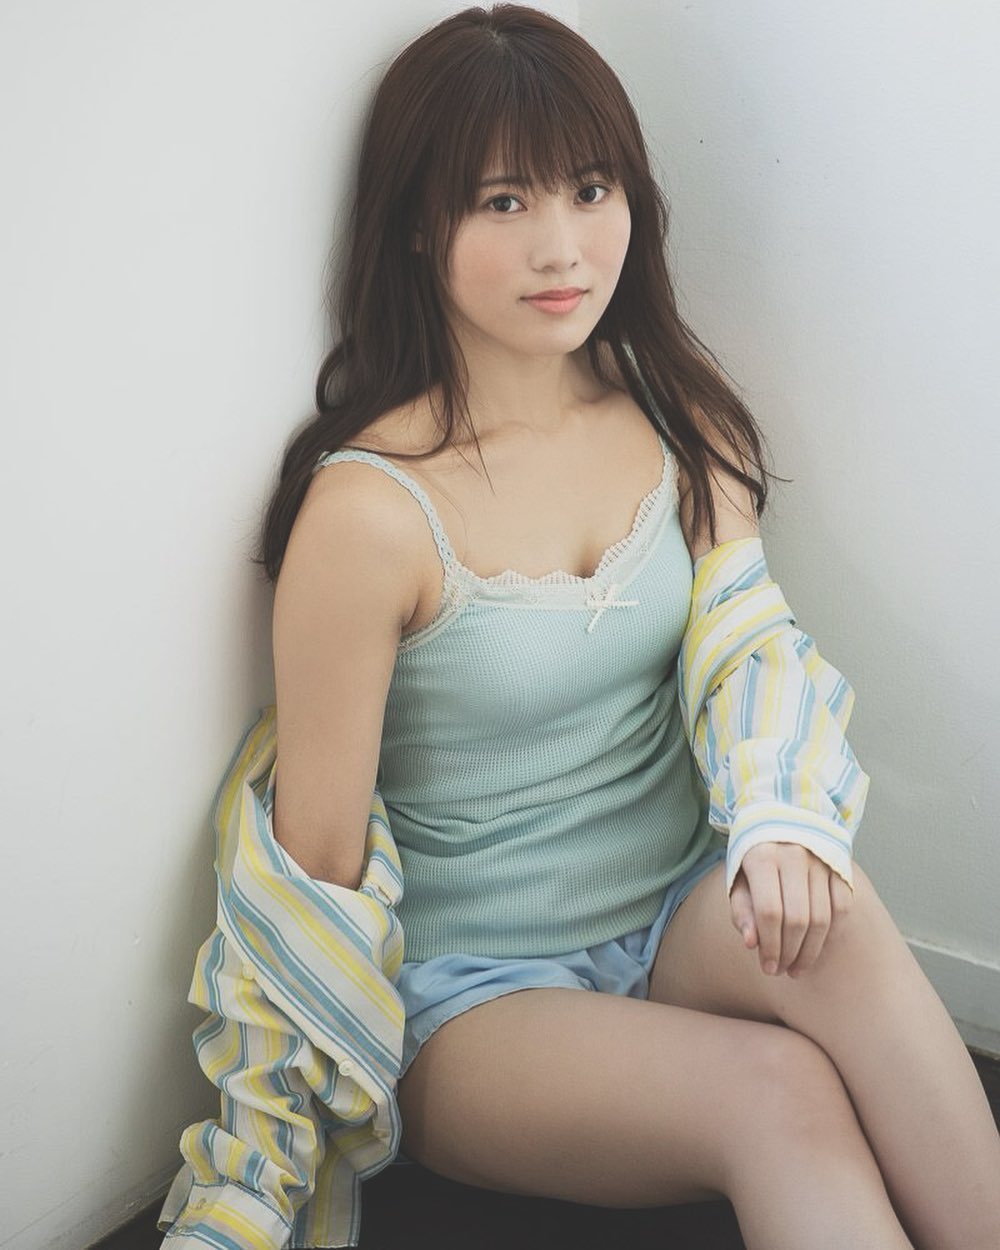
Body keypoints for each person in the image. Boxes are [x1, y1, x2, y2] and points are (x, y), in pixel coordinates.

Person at [252, 6, 1000, 1248]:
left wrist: (777, 820)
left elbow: (752, 647)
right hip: (476, 995)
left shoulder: (674, 420)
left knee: (841, 907)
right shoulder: (368, 514)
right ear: (418, 223)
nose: (561, 246)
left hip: (676, 910)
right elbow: (313, 872)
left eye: (590, 190)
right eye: (502, 201)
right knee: (780, 1092)